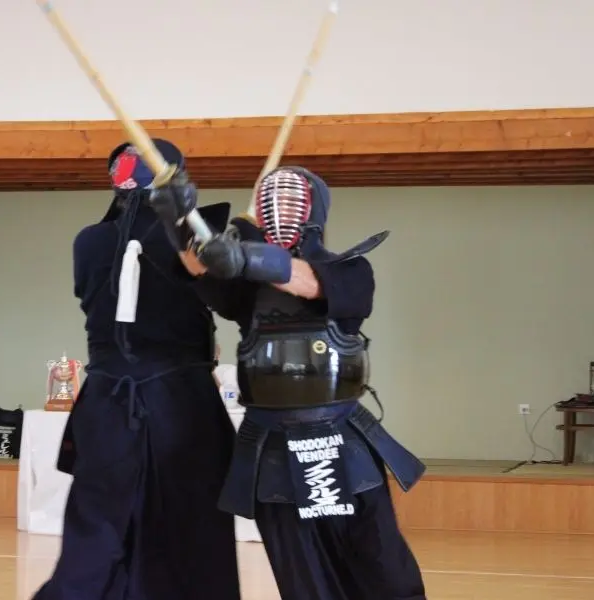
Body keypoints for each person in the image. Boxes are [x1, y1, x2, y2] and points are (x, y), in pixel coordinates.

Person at [149, 165, 428, 600]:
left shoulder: (351, 272)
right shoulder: (246, 294)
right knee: (304, 581)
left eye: (291, 198)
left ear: (314, 207)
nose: (280, 208)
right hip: (274, 450)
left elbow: (307, 281)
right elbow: (199, 269)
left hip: (342, 443)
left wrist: (247, 257)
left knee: (384, 571)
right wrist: (179, 222)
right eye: (271, 199)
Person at [32, 139, 241, 600]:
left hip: (107, 401)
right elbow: (221, 289)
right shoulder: (193, 240)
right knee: (192, 532)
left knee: (98, 530)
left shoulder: (89, 241)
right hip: (180, 404)